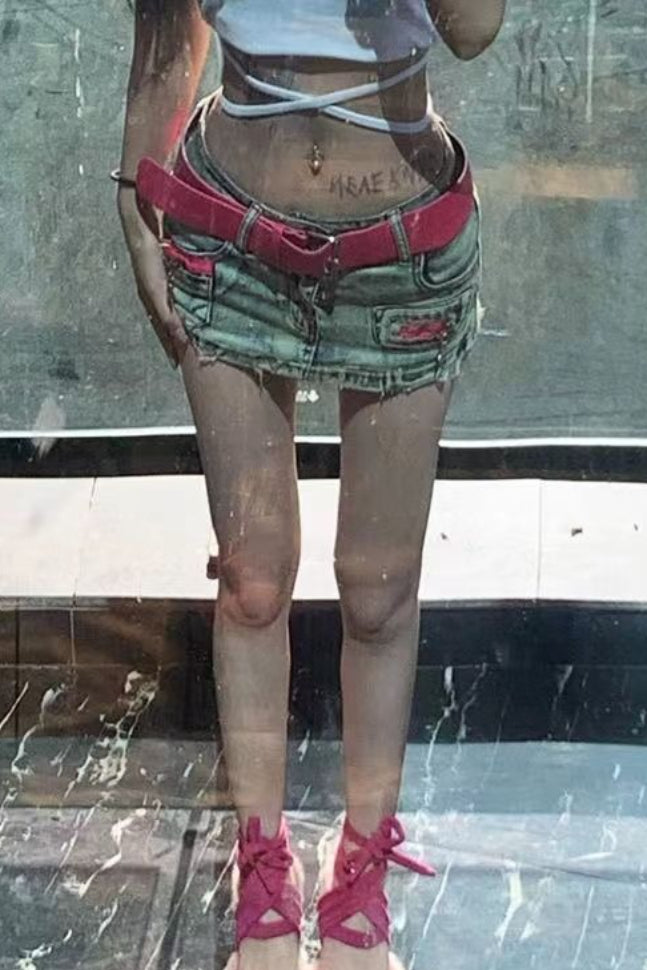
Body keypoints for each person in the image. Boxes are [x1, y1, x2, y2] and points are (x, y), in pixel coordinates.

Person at [116, 2, 505, 968]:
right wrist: (133, 190)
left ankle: (361, 862)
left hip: (402, 251)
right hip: (226, 236)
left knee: (378, 591)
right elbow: (167, 26)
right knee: (251, 579)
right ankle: (261, 861)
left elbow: (473, 29)